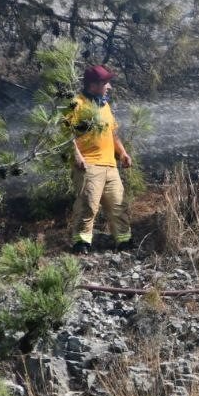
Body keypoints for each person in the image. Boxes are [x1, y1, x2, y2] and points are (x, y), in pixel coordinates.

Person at [63, 64, 133, 255]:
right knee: (88, 206)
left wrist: (123, 153)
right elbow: (65, 134)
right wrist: (77, 156)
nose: (109, 87)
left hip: (110, 165)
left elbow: (112, 133)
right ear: (93, 85)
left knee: (119, 205)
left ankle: (124, 241)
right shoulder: (76, 104)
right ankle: (81, 243)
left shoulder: (105, 105)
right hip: (89, 165)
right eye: (105, 83)